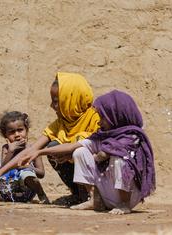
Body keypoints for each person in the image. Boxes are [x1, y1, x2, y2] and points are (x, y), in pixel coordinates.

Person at [19, 90, 156, 215]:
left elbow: (116, 150)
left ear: (115, 116)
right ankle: (95, 200)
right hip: (108, 191)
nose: (100, 122)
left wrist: (104, 153)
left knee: (120, 157)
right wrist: (40, 152)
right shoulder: (102, 135)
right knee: (80, 151)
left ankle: (124, 204)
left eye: (103, 118)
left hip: (129, 194)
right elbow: (73, 146)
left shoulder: (133, 135)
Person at [0, 72, 100, 205]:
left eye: (57, 101)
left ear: (71, 99)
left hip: (102, 178)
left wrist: (63, 152)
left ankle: (94, 195)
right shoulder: (61, 123)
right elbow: (31, 150)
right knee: (54, 147)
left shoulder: (97, 119)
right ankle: (78, 195)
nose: (52, 106)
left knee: (75, 151)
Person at [0, 111, 49, 203]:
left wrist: (28, 167)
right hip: (9, 192)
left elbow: (41, 173)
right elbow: (2, 171)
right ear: (6, 135)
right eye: (12, 132)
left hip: (27, 192)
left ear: (26, 130)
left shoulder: (33, 148)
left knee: (26, 174)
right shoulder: (6, 148)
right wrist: (11, 151)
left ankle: (41, 194)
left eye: (20, 130)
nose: (17, 135)